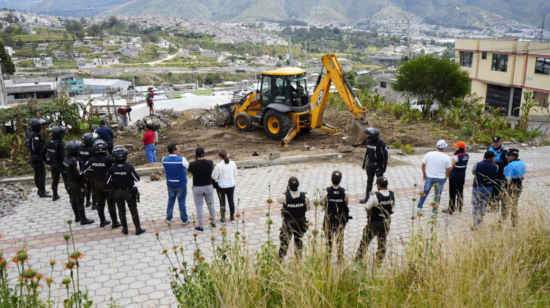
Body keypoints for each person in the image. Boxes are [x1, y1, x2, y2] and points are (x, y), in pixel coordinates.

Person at [105, 145, 146, 235]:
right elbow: (137, 179)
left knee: (121, 210)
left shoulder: (112, 168)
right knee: (133, 210)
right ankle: (138, 229)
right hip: (129, 192)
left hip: (117, 193)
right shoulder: (129, 167)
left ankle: (125, 229)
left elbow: (107, 181)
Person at [355, 177, 394, 265]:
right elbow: (392, 206)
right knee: (382, 243)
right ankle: (378, 262)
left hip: (375, 223)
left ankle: (358, 260)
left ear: (378, 186)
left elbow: (366, 207)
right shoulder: (391, 195)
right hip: (386, 223)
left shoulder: (375, 196)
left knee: (365, 241)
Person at [83, 140, 121, 228]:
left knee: (100, 203)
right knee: (111, 203)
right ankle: (115, 222)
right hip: (108, 184)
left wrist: (94, 175)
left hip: (97, 184)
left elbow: (84, 170)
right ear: (105, 149)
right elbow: (116, 170)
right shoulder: (110, 159)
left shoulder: (91, 160)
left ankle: (102, 221)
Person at [277, 176, 310, 260]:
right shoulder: (304, 196)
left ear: (289, 186)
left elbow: (278, 200)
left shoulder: (285, 197)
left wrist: (286, 191)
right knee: (299, 242)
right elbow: (308, 208)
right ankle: (298, 261)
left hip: (288, 224)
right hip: (300, 224)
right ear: (298, 185)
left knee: (284, 243)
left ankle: (280, 261)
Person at [417, 140, 451, 217]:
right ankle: (434, 212)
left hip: (430, 177)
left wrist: (424, 174)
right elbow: (448, 169)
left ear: (436, 146)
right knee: (437, 195)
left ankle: (419, 207)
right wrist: (446, 177)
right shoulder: (446, 157)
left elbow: (423, 165)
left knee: (425, 192)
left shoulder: (429, 154)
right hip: (441, 178)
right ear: (444, 147)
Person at [320, 170, 349, 261]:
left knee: (329, 239)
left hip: (329, 218)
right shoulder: (345, 192)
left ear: (331, 179)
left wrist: (326, 205)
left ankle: (328, 258)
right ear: (340, 180)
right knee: (340, 239)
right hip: (340, 219)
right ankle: (340, 258)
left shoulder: (326, 191)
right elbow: (346, 203)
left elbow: (320, 201)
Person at [63, 141, 95, 225]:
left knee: (73, 200)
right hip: (78, 183)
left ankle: (77, 217)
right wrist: (84, 168)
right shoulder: (75, 161)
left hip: (70, 182)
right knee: (80, 200)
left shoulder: (66, 159)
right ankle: (83, 219)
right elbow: (78, 174)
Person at [188, 147, 216, 232]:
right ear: (205, 154)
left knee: (199, 206)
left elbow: (190, 172)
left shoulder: (192, 164)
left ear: (195, 155)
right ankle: (213, 222)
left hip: (197, 187)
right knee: (211, 205)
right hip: (208, 186)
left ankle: (201, 226)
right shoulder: (210, 162)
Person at [162, 143, 190, 225]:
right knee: (181, 201)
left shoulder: (164, 159)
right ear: (174, 151)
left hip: (170, 183)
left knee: (171, 200)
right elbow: (188, 168)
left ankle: (168, 218)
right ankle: (184, 220)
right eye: (178, 149)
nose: (179, 150)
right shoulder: (182, 159)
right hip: (181, 184)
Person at [471, 151, 499, 228]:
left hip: (477, 187)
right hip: (488, 188)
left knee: (476, 205)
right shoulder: (495, 166)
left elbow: (473, 172)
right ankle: (480, 223)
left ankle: (475, 224)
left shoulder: (477, 164)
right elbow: (495, 174)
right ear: (492, 157)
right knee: (483, 206)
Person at [360, 127, 388, 204]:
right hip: (370, 165)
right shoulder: (369, 142)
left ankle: (384, 198)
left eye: (369, 135)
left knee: (381, 182)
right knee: (369, 182)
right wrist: (364, 164)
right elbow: (367, 153)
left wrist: (384, 167)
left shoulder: (381, 143)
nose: (367, 136)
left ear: (374, 135)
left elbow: (385, 155)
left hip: (378, 165)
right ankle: (367, 198)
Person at [41, 126, 69, 201]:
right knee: (66, 180)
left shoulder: (49, 142)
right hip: (61, 165)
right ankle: (71, 197)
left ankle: (55, 195)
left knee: (55, 180)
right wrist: (66, 166)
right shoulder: (60, 144)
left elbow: (42, 153)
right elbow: (64, 157)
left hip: (53, 164)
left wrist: (47, 161)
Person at [501, 148, 527, 227]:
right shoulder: (522, 163)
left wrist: (503, 191)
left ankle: (501, 223)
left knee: (505, 205)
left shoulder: (510, 165)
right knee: (514, 204)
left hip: (510, 188)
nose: (507, 157)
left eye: (509, 156)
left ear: (514, 156)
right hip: (518, 187)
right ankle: (514, 223)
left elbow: (508, 180)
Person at [25, 118, 50, 197]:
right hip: (36, 156)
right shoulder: (35, 135)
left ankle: (40, 190)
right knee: (41, 174)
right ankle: (42, 192)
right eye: (39, 126)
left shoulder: (29, 133)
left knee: (37, 173)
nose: (41, 127)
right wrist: (43, 144)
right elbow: (35, 148)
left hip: (33, 156)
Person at [212, 149, 238, 223]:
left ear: (219, 157)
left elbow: (214, 177)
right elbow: (236, 173)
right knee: (231, 201)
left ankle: (223, 218)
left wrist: (219, 177)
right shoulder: (233, 163)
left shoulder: (219, 165)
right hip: (231, 184)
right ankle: (232, 217)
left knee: (222, 202)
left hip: (221, 186)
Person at [443, 141, 469, 215]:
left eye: (456, 146)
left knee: (452, 193)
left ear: (459, 148)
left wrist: (446, 175)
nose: (455, 147)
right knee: (460, 192)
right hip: (462, 176)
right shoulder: (466, 155)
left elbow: (451, 167)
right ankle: (459, 207)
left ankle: (451, 209)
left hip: (454, 177)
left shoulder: (456, 157)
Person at [487, 136, 508, 212]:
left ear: (500, 142)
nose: (495, 143)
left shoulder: (504, 151)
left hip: (499, 173)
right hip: (490, 172)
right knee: (490, 190)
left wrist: (496, 163)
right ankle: (491, 205)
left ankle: (495, 207)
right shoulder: (490, 148)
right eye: (494, 142)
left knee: (496, 191)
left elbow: (506, 162)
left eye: (497, 142)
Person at [78, 133, 98, 209]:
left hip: (84, 171)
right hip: (92, 171)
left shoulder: (80, 148)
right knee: (94, 188)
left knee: (87, 187)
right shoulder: (92, 149)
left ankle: (87, 201)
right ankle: (94, 204)